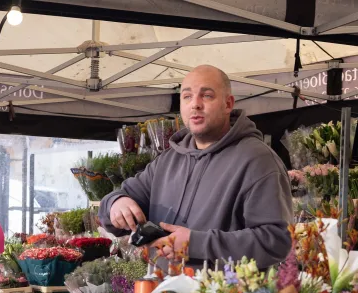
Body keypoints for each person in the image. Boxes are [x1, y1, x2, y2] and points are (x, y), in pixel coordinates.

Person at [100, 65, 292, 268]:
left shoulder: (257, 160)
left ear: (228, 104)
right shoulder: (167, 161)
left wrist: (196, 244)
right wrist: (116, 202)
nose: (195, 104)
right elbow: (110, 211)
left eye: (207, 96)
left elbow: (276, 241)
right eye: (187, 97)